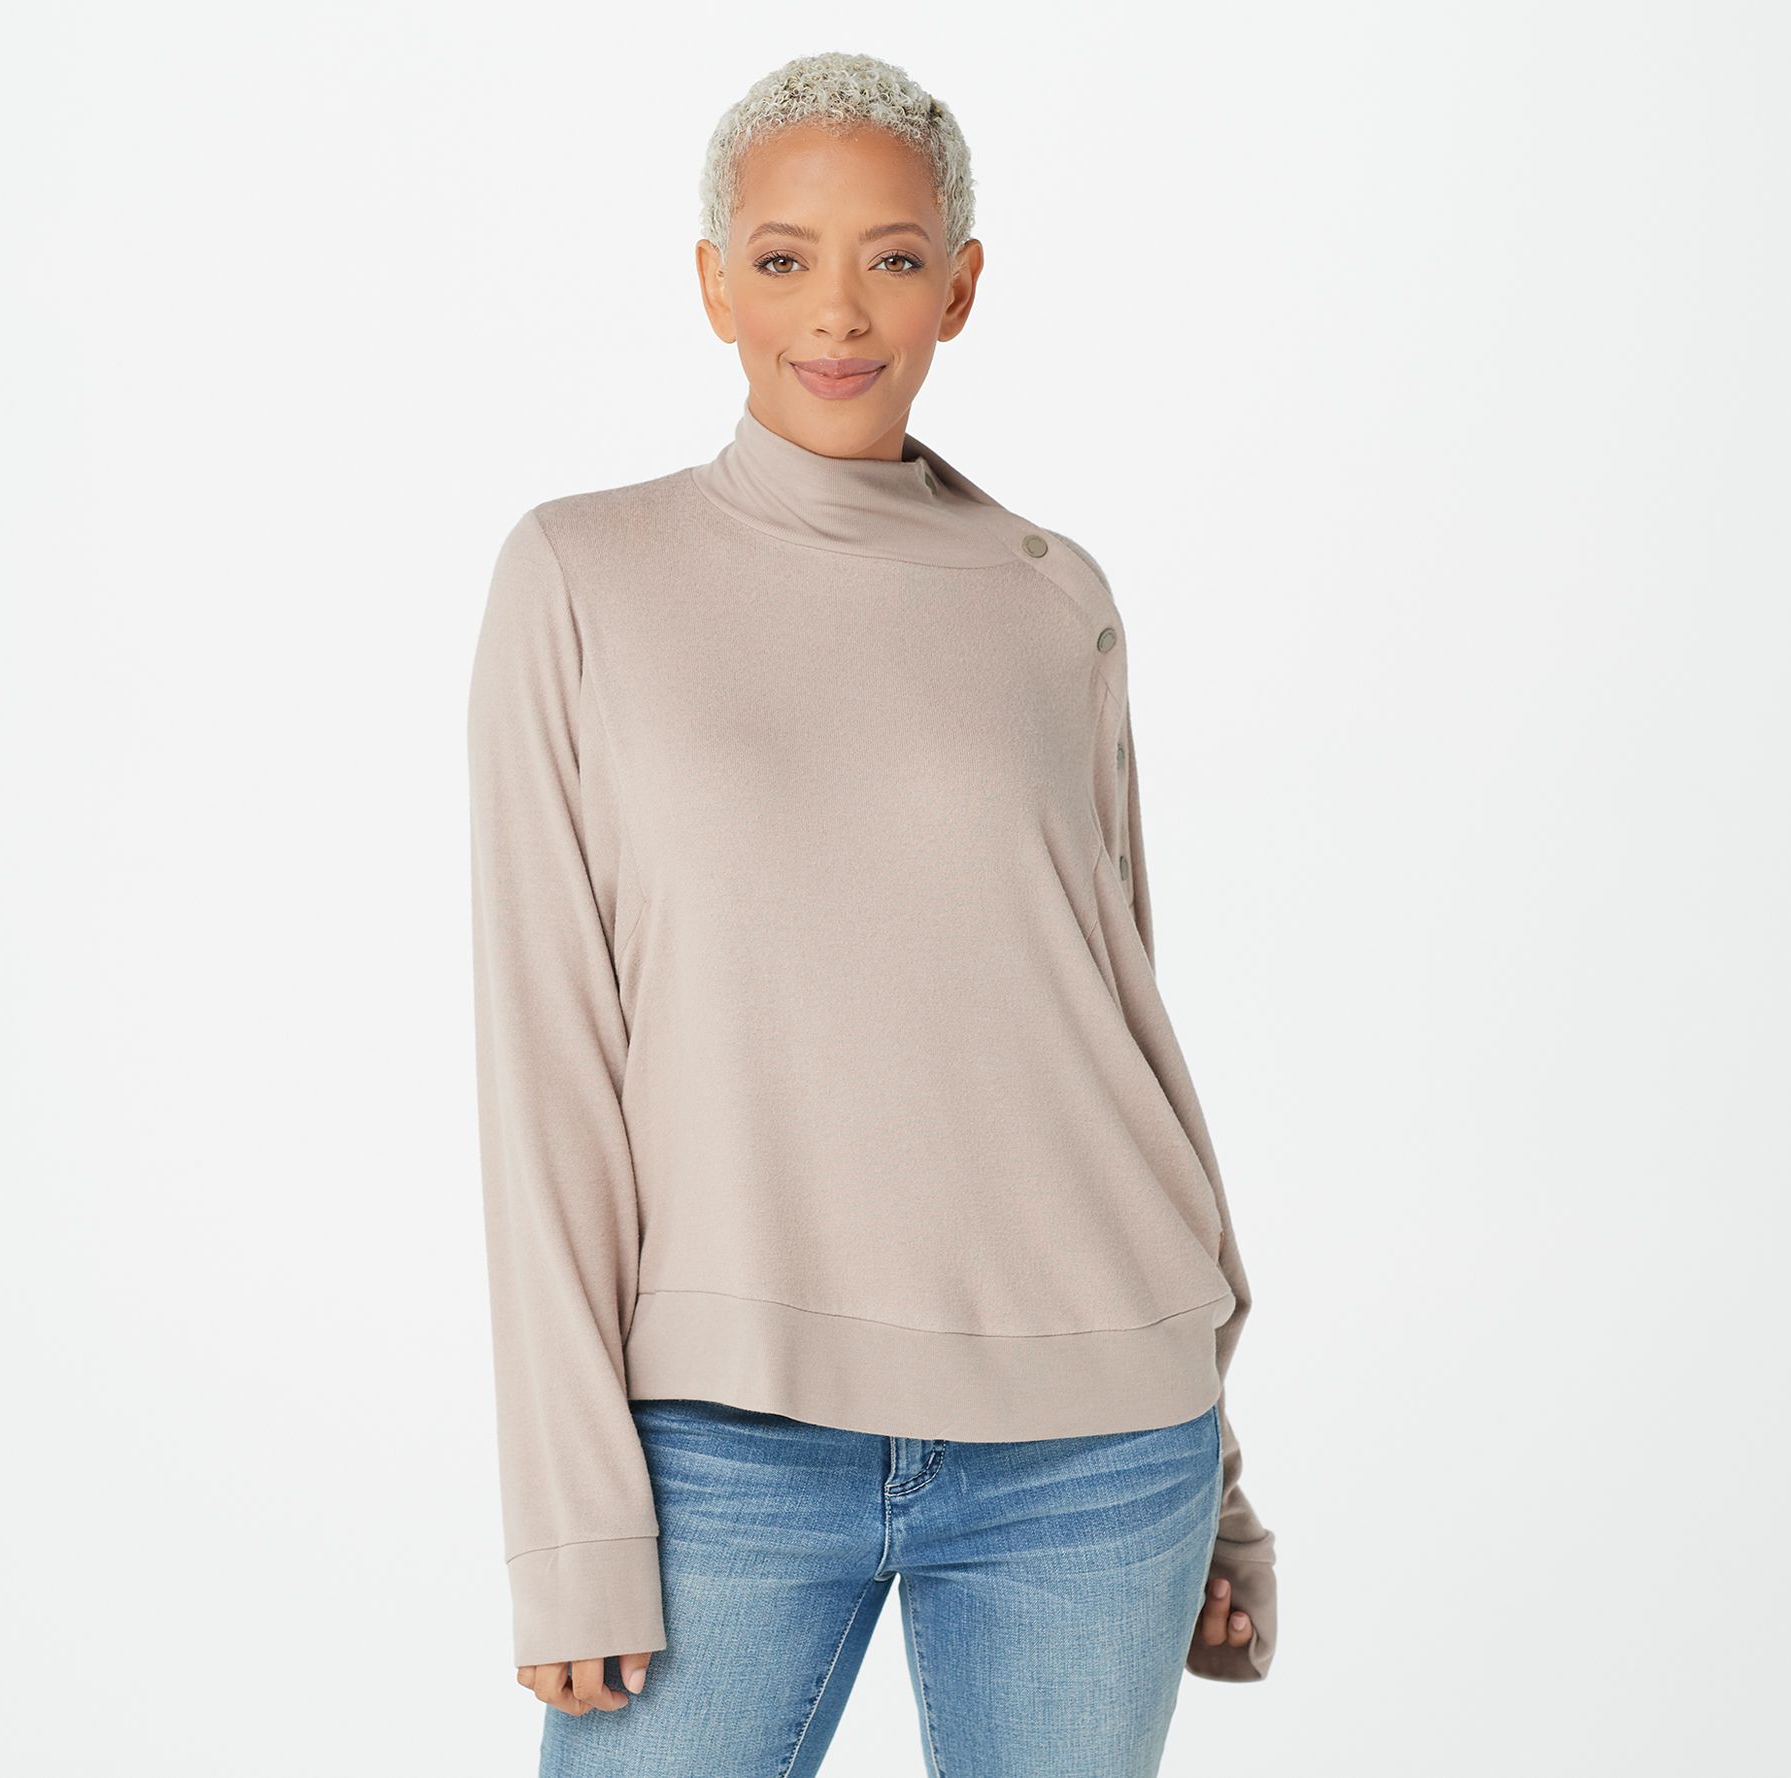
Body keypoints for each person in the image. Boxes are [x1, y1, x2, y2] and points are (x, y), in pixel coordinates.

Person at [466, 50, 1279, 1776]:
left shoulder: (1053, 597)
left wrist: (1217, 1482)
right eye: (783, 257)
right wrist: (571, 1522)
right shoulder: (581, 577)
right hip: (722, 1447)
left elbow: (1111, 1025)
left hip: (1097, 1452)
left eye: (894, 257)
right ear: (713, 283)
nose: (837, 310)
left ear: (959, 288)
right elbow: (547, 1075)